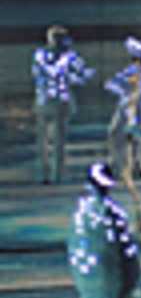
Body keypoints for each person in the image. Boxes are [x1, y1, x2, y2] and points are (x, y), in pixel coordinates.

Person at [67, 162, 141, 298]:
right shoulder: (111, 214)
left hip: (100, 270)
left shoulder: (86, 215)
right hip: (109, 270)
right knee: (109, 297)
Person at [32, 24, 94, 184]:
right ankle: (57, 174)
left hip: (42, 101)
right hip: (60, 101)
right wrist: (80, 77)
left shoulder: (39, 55)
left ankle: (41, 174)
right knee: (58, 141)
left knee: (42, 140)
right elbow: (81, 77)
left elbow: (37, 74)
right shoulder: (70, 57)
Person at [105, 37, 141, 181]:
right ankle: (134, 166)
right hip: (140, 107)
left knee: (123, 135)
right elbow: (114, 83)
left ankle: (126, 165)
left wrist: (121, 89)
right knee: (134, 137)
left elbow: (115, 84)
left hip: (134, 107)